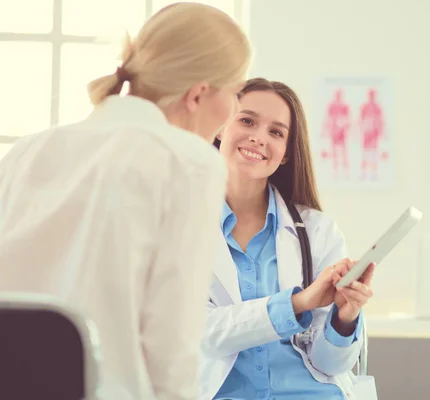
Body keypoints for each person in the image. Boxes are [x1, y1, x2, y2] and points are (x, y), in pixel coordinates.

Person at [0, 3, 250, 400]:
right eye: (235, 92)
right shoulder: (187, 162)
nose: (234, 110)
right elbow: (171, 342)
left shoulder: (28, 152)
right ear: (198, 94)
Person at [201, 78, 376, 400]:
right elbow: (200, 334)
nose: (258, 137)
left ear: (284, 154)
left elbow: (331, 364)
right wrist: (299, 303)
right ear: (221, 128)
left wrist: (346, 315)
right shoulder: (182, 225)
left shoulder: (317, 230)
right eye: (247, 120)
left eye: (276, 132)